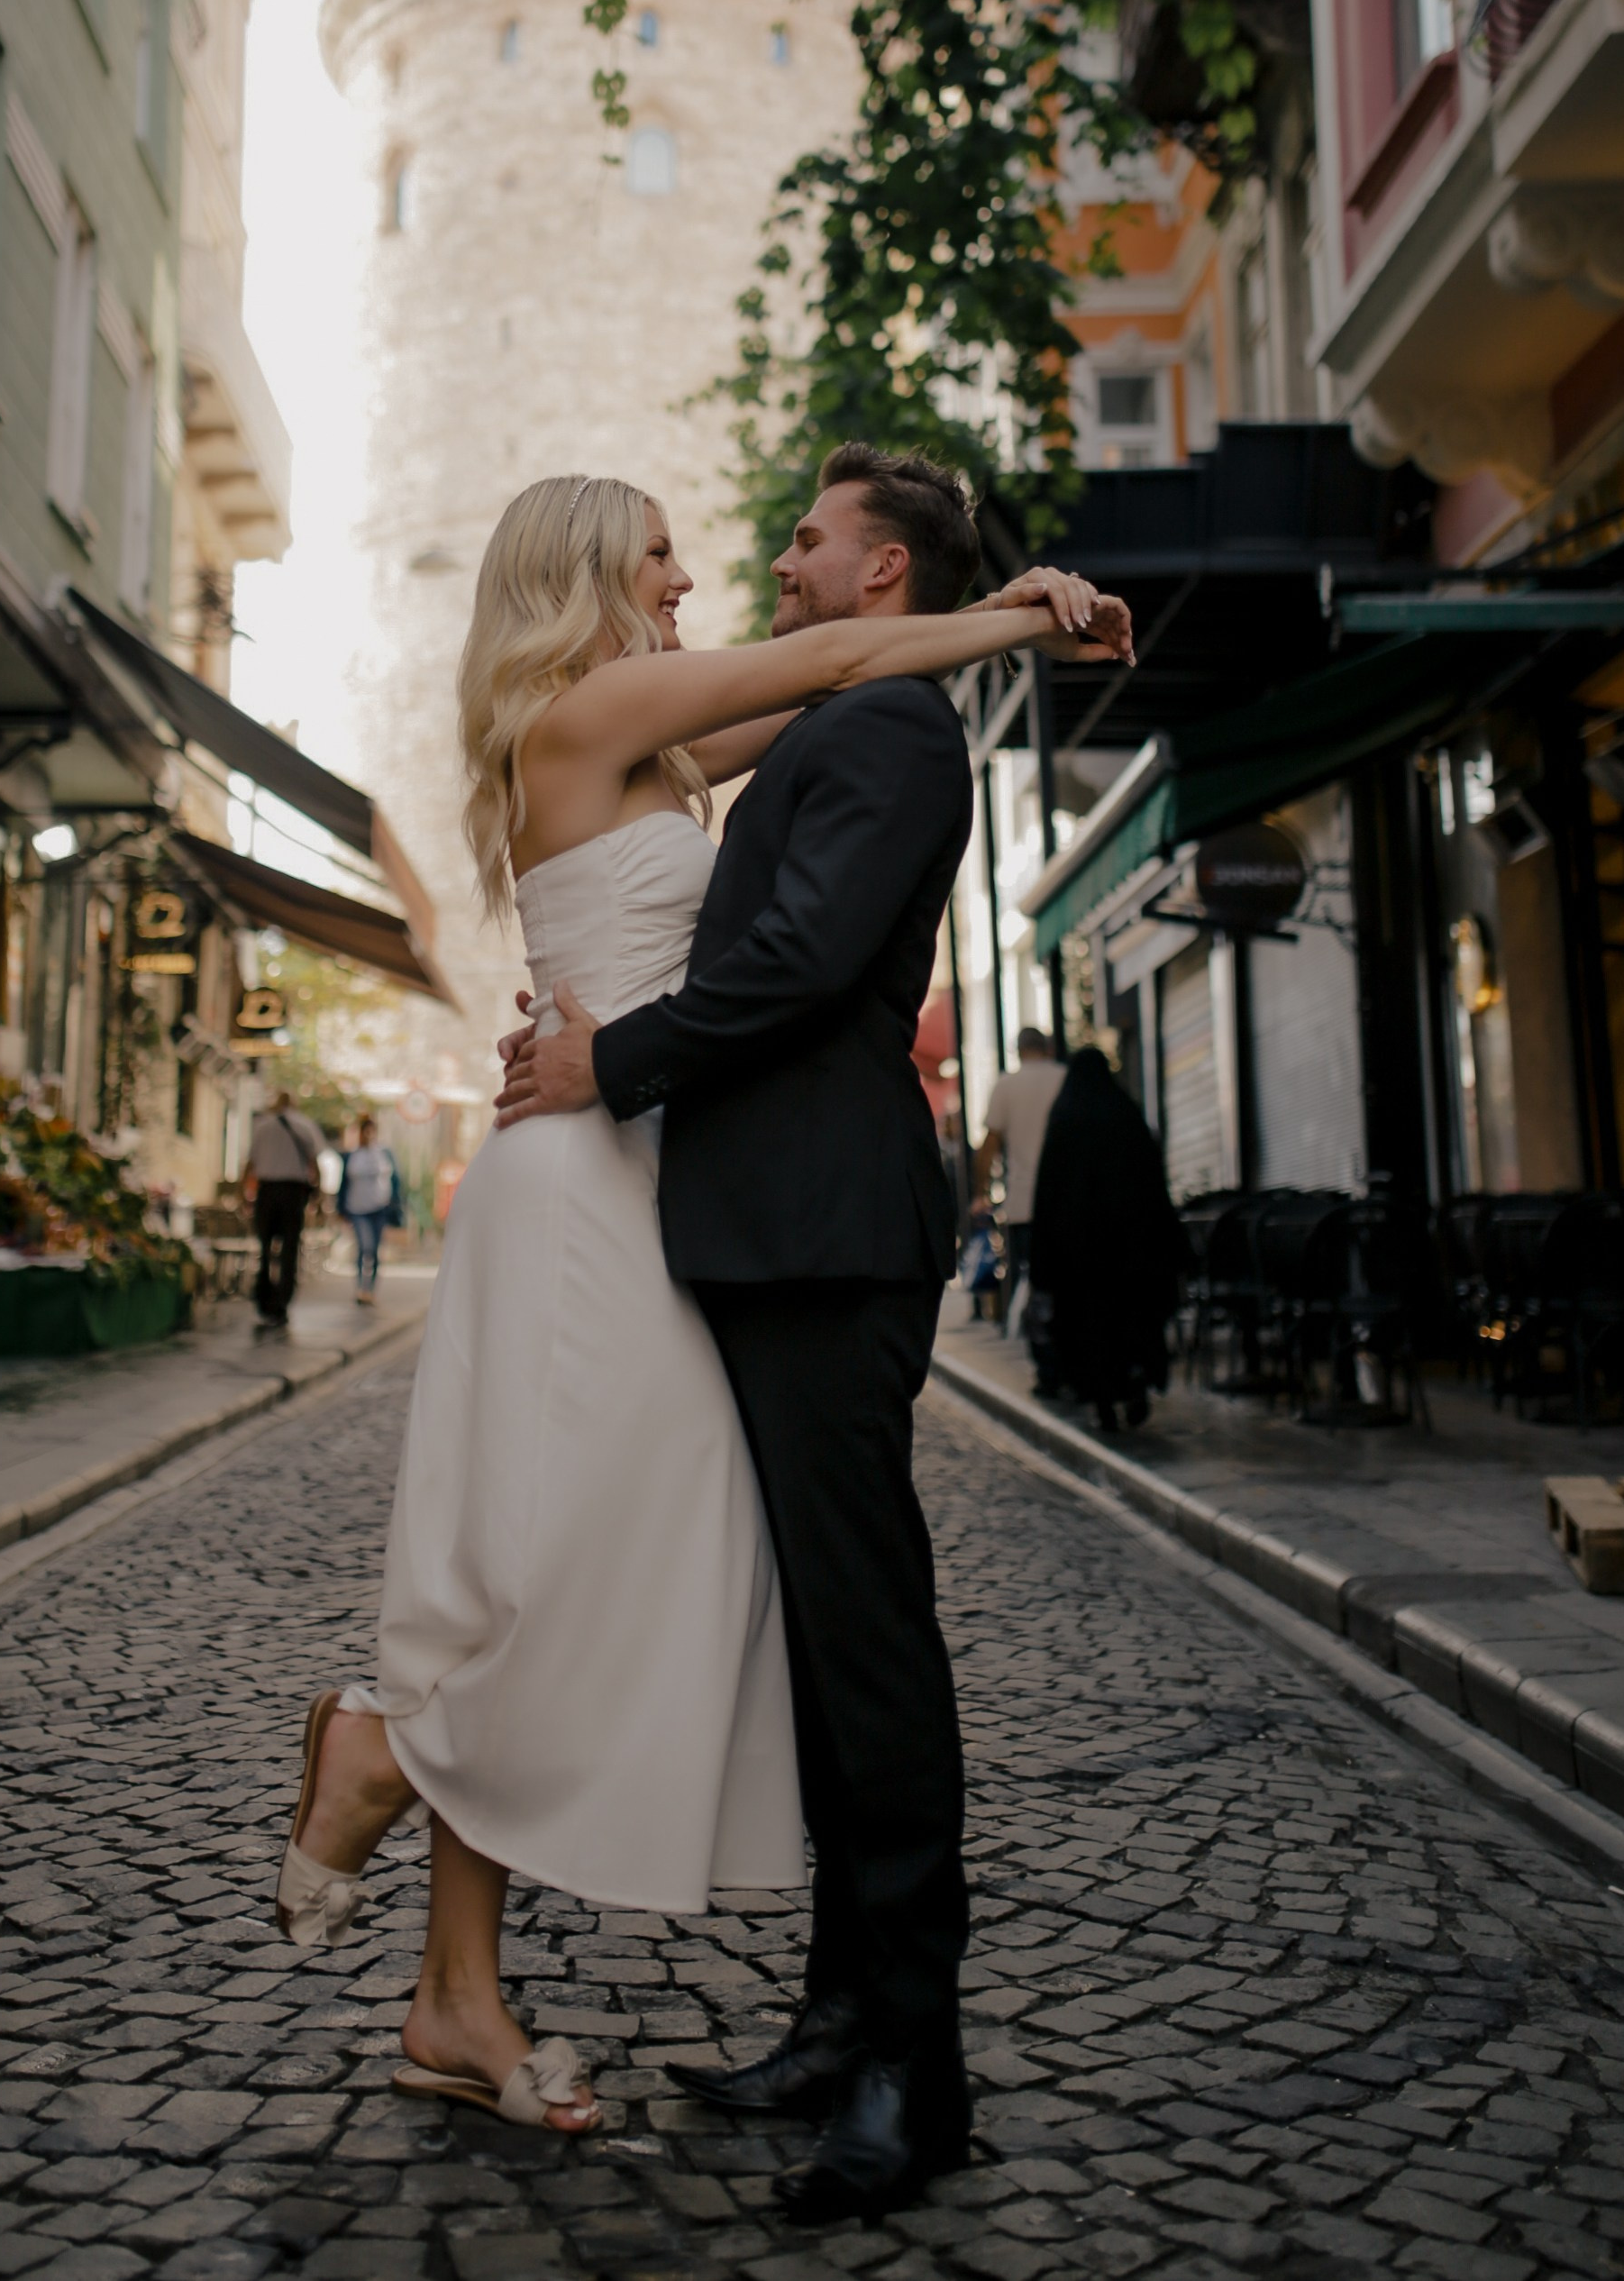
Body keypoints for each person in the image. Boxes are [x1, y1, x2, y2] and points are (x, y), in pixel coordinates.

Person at [272, 462, 1128, 2167]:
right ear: (589, 573)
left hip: (678, 1187)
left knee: (641, 1559)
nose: (706, 576)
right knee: (565, 1548)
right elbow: (817, 673)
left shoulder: (665, 737)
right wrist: (1022, 604)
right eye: (665, 553)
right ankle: (399, 1763)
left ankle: (483, 1911)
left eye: (778, 545)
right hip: (604, 1188)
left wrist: (982, 616)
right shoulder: (602, 709)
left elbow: (828, 707)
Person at [1030, 1045, 1186, 1432]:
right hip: (1131, 1253)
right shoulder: (1126, 1114)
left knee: (1090, 1329)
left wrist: (1043, 1260)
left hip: (1079, 1257)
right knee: (1131, 1324)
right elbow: (1154, 1187)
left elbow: (1048, 1193)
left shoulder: (1064, 1118)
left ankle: (1102, 1402)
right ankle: (1135, 1385)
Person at [976, 1026, 1066, 1354]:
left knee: (1033, 1279)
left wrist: (980, 1193)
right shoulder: (1063, 1078)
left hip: (1023, 1202)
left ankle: (1039, 1349)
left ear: (1018, 1050)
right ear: (1047, 1048)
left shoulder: (1006, 1085)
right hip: (1063, 1202)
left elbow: (990, 1144)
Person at [246, 1092, 325, 1331]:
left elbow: (250, 1163)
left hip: (267, 1191)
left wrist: (244, 1193)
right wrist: (318, 1194)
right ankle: (282, 1301)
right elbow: (314, 1163)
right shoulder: (304, 1126)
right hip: (292, 1193)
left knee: (265, 1247)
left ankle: (263, 1298)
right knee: (290, 1248)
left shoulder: (262, 1127)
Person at [336, 1113, 400, 1305]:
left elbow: (395, 1180)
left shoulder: (384, 1154)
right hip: (358, 1208)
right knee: (365, 1246)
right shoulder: (352, 1156)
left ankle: (370, 1290)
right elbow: (344, 1183)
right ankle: (359, 1288)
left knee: (375, 1251)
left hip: (379, 1207)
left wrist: (395, 1204)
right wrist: (341, 1209)